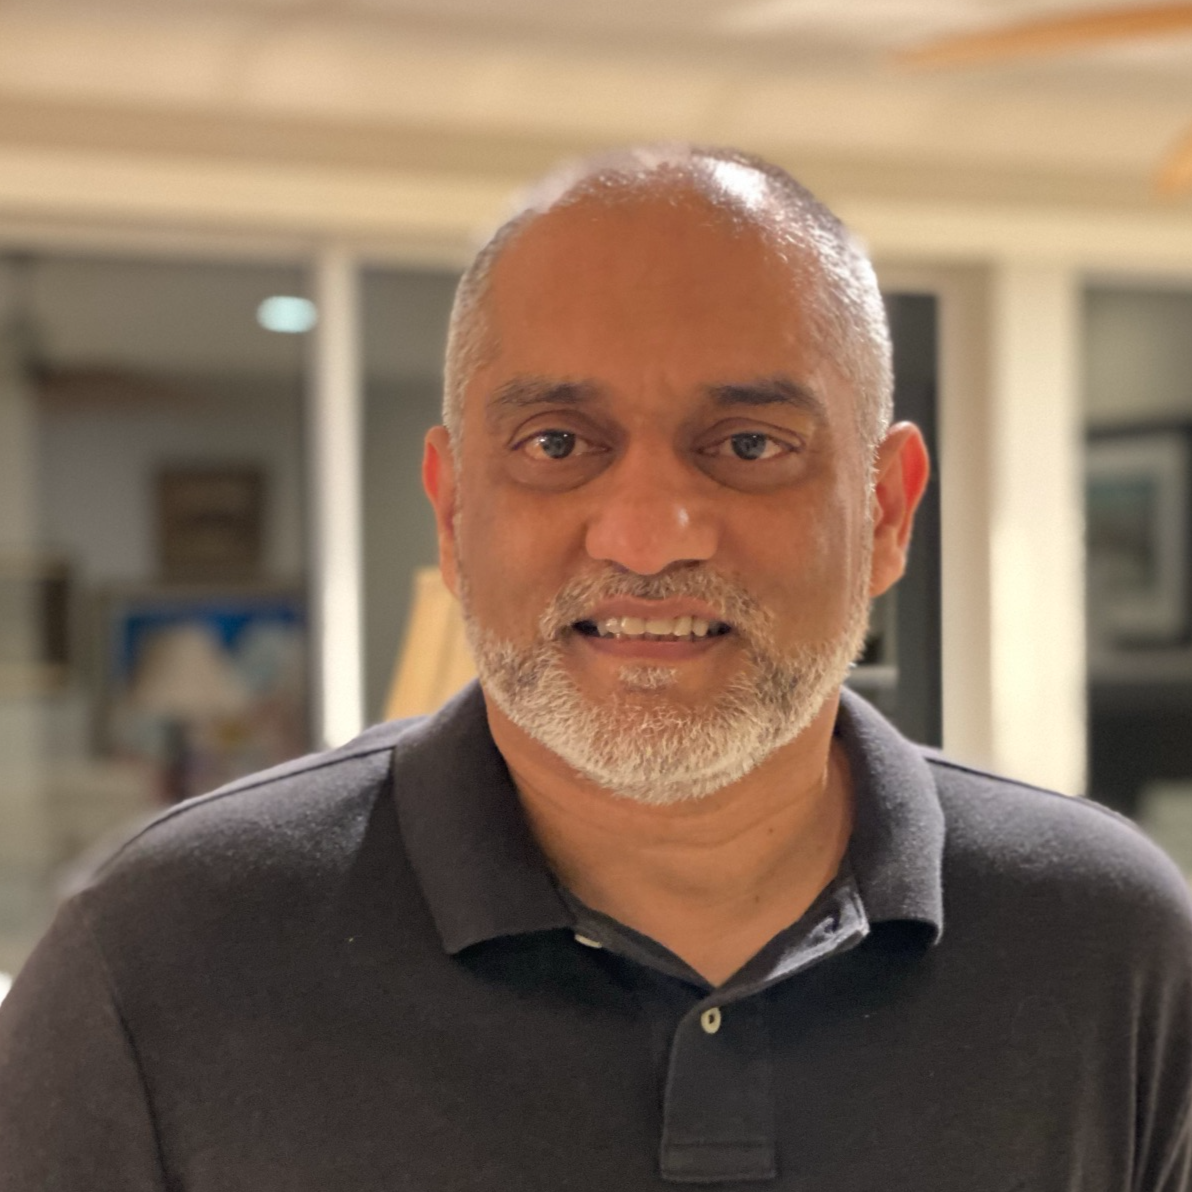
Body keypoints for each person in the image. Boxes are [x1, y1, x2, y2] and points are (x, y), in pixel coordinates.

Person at [2, 145, 1190, 1191]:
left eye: (747, 444)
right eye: (558, 442)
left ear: (884, 509)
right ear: (452, 509)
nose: (647, 535)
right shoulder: (167, 953)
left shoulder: (1105, 945)